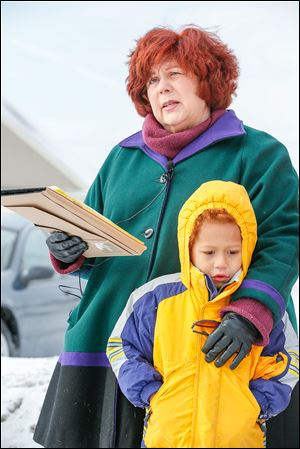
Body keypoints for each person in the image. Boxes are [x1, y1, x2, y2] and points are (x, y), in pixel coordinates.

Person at [33, 25, 299, 448]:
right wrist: (71, 250)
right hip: (109, 342)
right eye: (152, 80)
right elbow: (95, 236)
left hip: (216, 344)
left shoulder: (260, 154)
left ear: (208, 80)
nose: (162, 88)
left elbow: (285, 241)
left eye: (174, 74)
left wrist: (249, 317)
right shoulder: (121, 157)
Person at [107, 180, 299, 448]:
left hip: (240, 440)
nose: (221, 262)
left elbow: (288, 359)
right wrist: (151, 393)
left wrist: (257, 404)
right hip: (167, 439)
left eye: (233, 252)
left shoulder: (262, 309)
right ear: (188, 247)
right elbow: (121, 345)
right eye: (209, 252)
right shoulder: (155, 298)